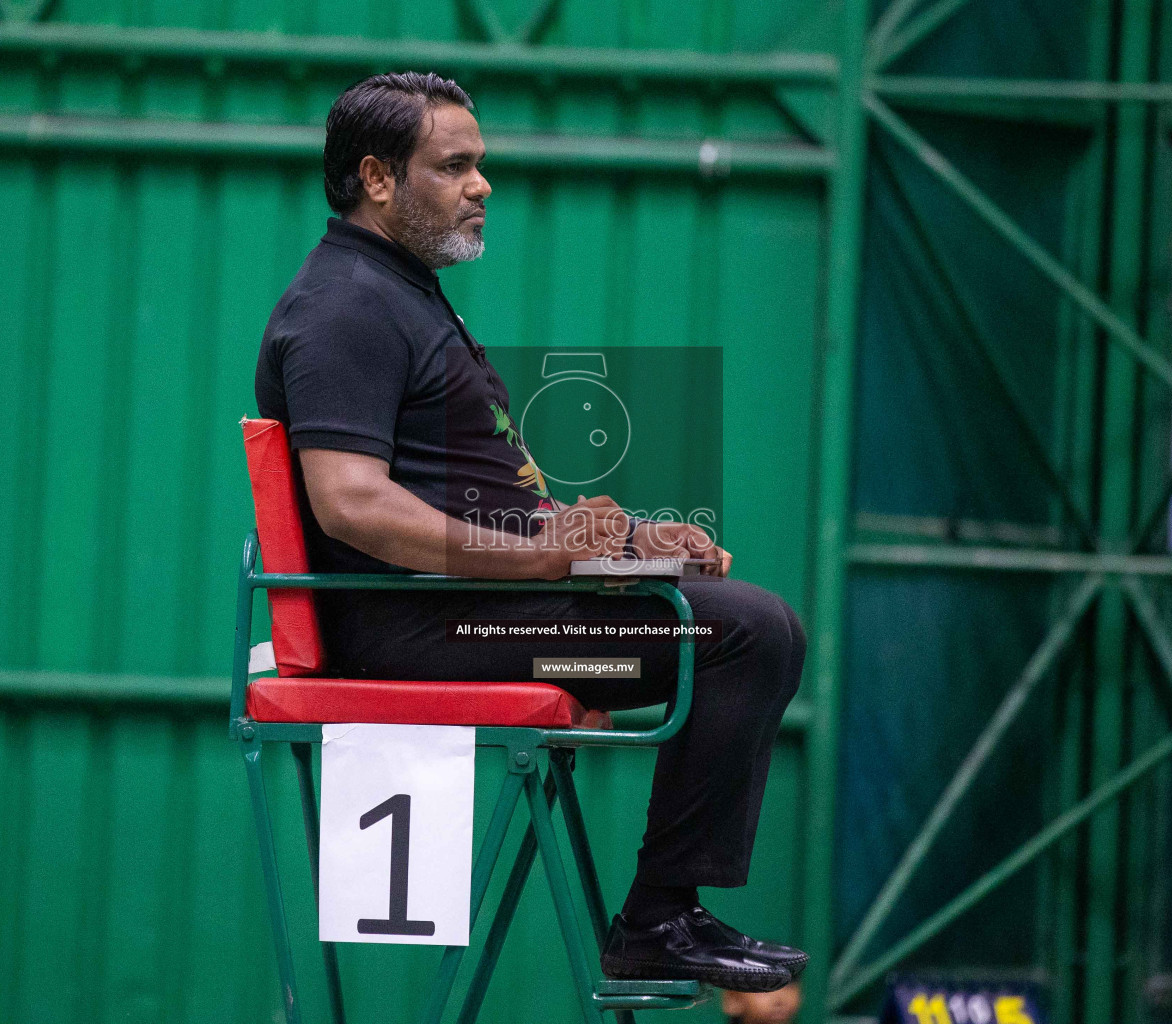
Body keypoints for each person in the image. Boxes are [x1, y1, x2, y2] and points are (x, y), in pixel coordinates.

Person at [254, 71, 808, 992]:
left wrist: (621, 542)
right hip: (424, 631)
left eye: (482, 164)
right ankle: (659, 920)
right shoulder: (345, 307)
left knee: (732, 622)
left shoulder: (401, 292)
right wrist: (550, 554)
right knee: (739, 633)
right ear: (377, 178)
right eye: (455, 165)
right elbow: (352, 505)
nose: (483, 185)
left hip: (472, 611)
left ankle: (664, 914)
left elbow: (466, 493)